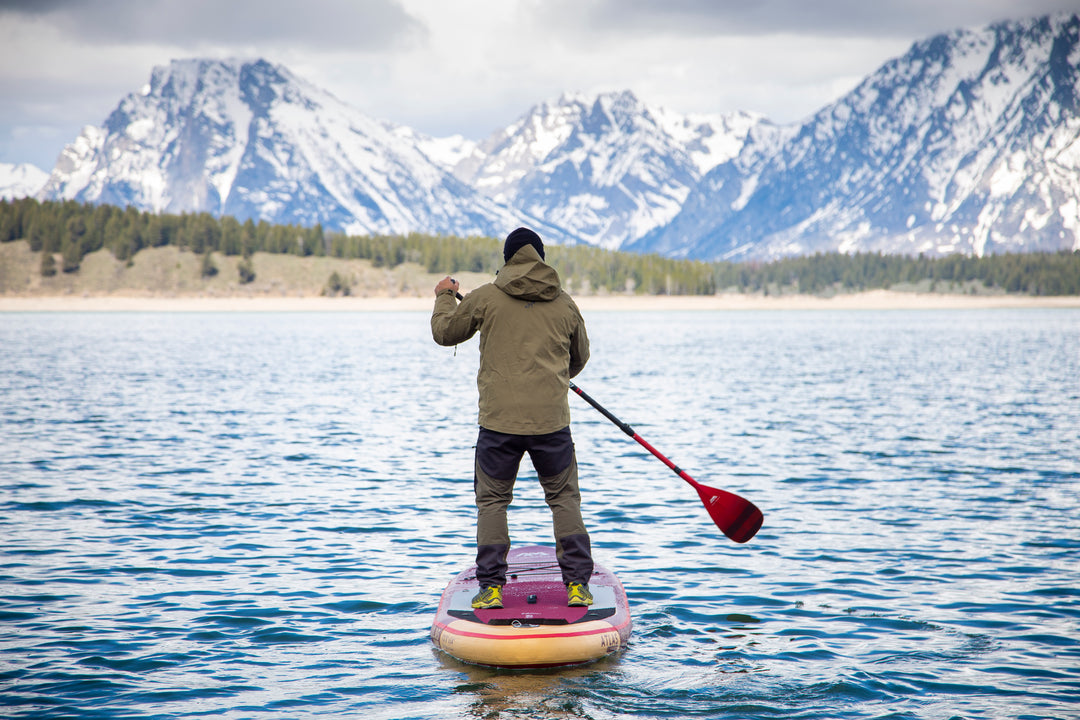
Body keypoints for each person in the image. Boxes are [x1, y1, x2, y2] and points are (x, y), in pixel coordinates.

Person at [431, 227, 594, 610]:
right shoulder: (566, 303)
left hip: (498, 425)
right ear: (541, 257)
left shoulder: (486, 298)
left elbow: (445, 332)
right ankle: (576, 587)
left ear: (506, 260)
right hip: (551, 424)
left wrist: (444, 295)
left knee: (492, 503)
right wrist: (552, 377)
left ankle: (490, 590)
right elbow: (580, 358)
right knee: (564, 498)